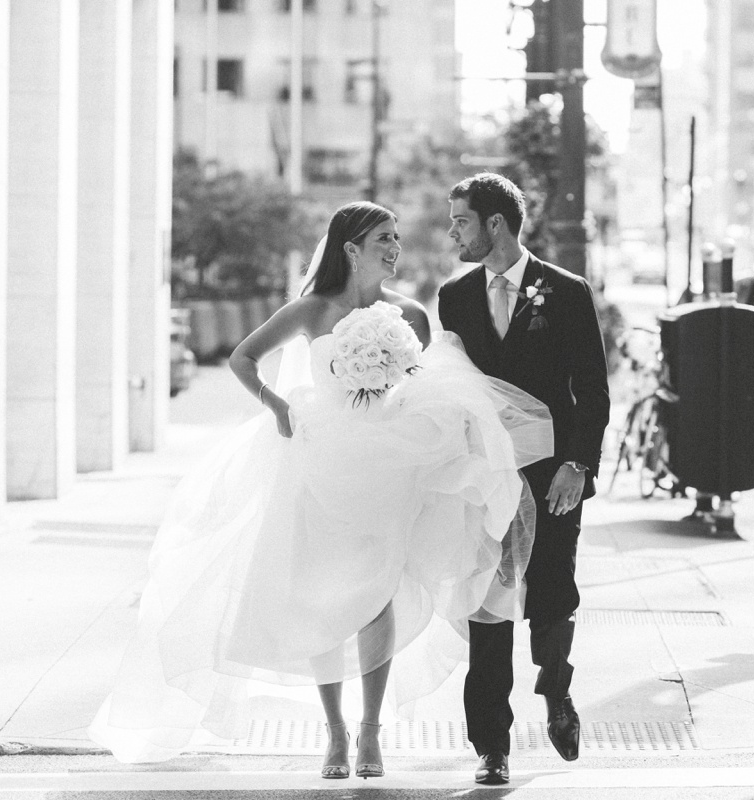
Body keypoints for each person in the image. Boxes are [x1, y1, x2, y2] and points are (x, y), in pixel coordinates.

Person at [89, 202, 553, 780]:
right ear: (351, 248)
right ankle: (334, 730)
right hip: (319, 460)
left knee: (379, 592)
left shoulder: (410, 314)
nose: (394, 248)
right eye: (383, 238)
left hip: (388, 467)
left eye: (396, 238)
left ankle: (369, 732)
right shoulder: (310, 309)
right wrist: (277, 405)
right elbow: (244, 358)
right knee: (320, 593)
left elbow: (427, 384)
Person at [438, 173, 610, 785]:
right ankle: (491, 744)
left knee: (551, 590)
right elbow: (451, 386)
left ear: (495, 224)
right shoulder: (453, 296)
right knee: (488, 602)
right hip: (485, 476)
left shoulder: (564, 291)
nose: (453, 231)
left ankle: (556, 690)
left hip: (552, 473)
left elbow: (592, 388)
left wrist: (578, 464)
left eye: (461, 220)